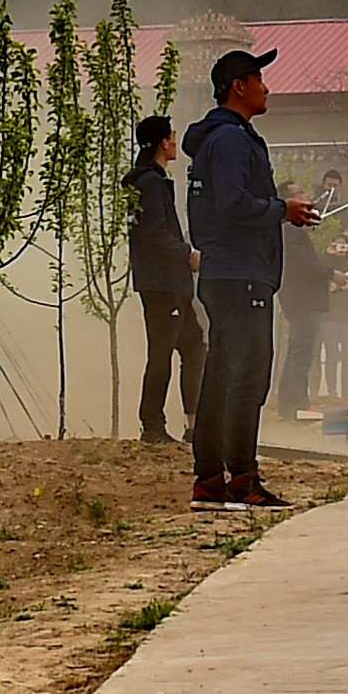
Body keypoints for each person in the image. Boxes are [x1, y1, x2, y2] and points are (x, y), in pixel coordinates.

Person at [185, 50, 316, 505]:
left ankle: (209, 480)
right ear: (238, 86)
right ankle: (241, 477)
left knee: (222, 376)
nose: (266, 87)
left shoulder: (226, 138)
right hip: (241, 274)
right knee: (248, 377)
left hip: (230, 274)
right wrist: (283, 210)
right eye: (259, 78)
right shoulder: (231, 141)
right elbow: (232, 203)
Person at [123, 114, 197, 449]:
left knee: (194, 346)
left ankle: (194, 423)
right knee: (162, 352)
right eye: (172, 135)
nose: (176, 141)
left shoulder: (151, 181)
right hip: (163, 283)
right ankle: (152, 425)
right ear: (162, 142)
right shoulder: (150, 184)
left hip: (170, 282)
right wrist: (187, 255)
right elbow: (153, 235)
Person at [272, 172, 332, 420]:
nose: (306, 198)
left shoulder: (294, 231)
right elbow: (307, 267)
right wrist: (332, 274)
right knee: (301, 353)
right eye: (300, 195)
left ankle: (294, 403)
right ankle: (295, 404)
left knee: (300, 352)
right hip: (302, 302)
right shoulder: (290, 232)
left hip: (301, 301)